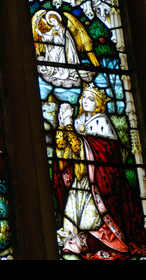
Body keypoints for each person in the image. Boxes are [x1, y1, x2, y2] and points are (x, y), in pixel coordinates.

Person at [53, 83, 146, 259]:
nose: (85, 101)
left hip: (98, 183)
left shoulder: (102, 122)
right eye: (84, 98)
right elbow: (66, 146)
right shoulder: (78, 121)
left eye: (91, 98)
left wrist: (69, 128)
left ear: (99, 104)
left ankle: (95, 238)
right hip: (80, 180)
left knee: (92, 220)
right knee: (72, 215)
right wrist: (63, 127)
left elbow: (107, 152)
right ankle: (72, 236)